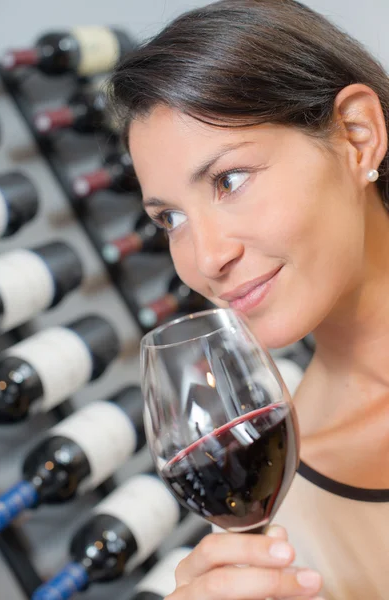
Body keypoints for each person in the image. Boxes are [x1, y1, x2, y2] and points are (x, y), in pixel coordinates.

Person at [110, 1, 389, 598]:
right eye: (171, 218)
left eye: (229, 180)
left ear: (357, 137)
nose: (205, 257)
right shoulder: (289, 509)